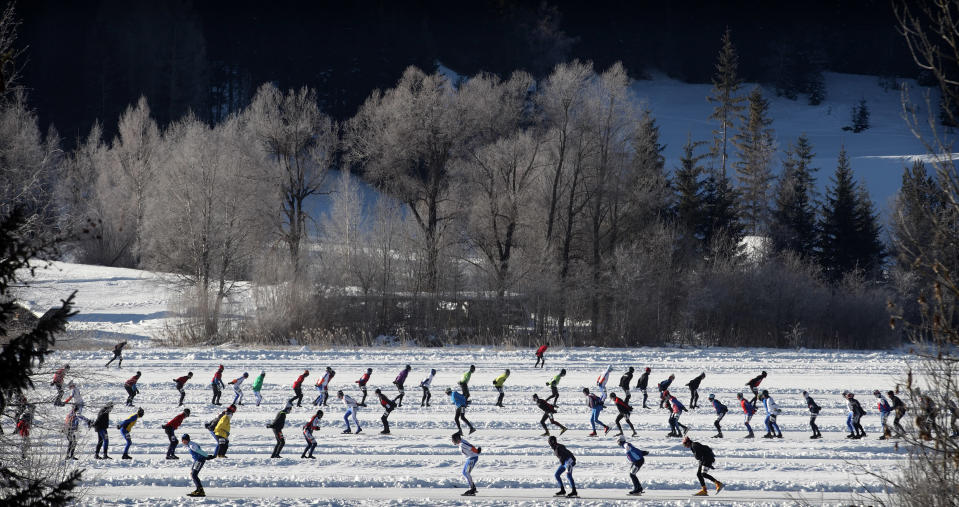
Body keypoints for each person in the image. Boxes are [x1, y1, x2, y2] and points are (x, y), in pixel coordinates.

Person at [451, 431, 481, 496]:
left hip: (472, 458)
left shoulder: (462, 444)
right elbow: (470, 446)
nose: (452, 441)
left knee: (467, 473)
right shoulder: (462, 442)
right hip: (469, 458)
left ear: (457, 439)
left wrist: (477, 451)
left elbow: (471, 447)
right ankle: (473, 487)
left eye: (453, 440)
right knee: (465, 472)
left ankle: (472, 489)